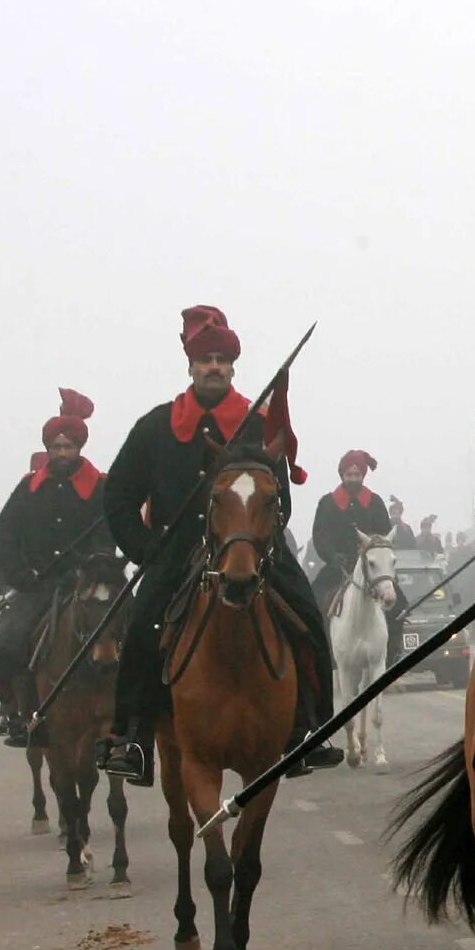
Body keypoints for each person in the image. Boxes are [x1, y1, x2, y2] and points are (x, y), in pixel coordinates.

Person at [95, 306, 345, 785]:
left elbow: (282, 499)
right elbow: (120, 496)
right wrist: (147, 550)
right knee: (145, 624)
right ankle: (132, 737)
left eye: (221, 360)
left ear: (233, 367)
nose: (213, 367)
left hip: (250, 548)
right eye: (204, 359)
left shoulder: (258, 422)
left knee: (307, 615)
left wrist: (258, 536)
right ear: (190, 366)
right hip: (175, 551)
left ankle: (308, 728)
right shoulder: (155, 426)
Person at [0, 389, 116, 745]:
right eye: (55, 447)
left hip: (87, 581)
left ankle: (128, 717)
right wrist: (17, 576)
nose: (61, 453)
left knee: (128, 630)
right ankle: (14, 710)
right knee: (7, 638)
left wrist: (93, 564)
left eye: (68, 447)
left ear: (79, 448)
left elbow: (108, 532)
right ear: (48, 449)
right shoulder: (28, 488)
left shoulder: (100, 487)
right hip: (35, 585)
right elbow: (5, 535)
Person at [310, 451, 396, 613]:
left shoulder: (375, 502)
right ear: (342, 475)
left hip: (373, 569)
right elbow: (320, 535)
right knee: (314, 599)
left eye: (357, 474)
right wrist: (332, 556)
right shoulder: (327, 503)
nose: (353, 478)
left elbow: (385, 534)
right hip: (338, 567)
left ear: (362, 475)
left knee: (399, 605)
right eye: (349, 474)